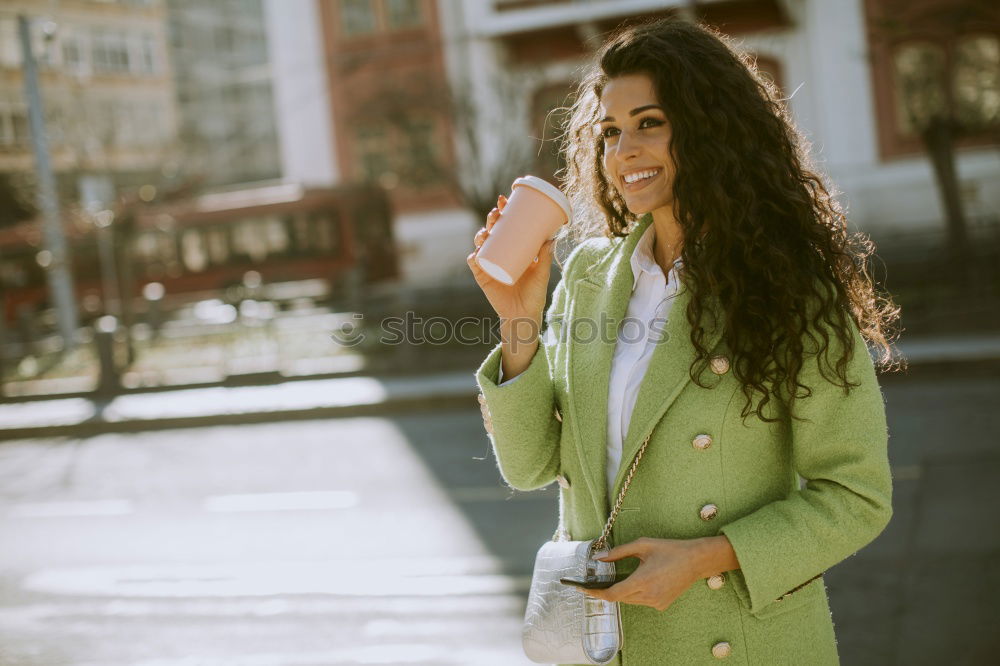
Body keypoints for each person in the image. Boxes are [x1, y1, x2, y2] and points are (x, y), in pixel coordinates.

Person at [467, 16, 899, 666]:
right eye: (610, 131)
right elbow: (531, 467)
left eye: (650, 123)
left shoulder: (787, 288)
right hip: (607, 644)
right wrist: (518, 319)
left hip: (738, 641)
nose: (623, 151)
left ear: (710, 128)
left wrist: (703, 558)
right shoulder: (588, 276)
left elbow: (856, 495)